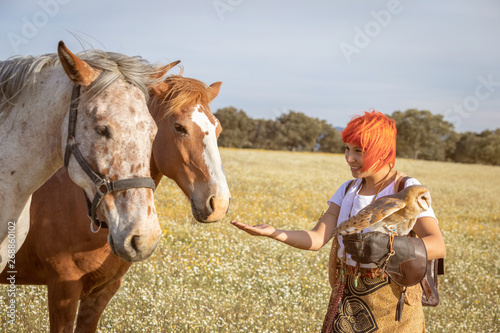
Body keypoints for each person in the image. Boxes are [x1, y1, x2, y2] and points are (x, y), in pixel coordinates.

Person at [230, 111, 446, 332]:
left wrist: (388, 248)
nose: (349, 158)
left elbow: (438, 246)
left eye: (358, 151)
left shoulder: (407, 188)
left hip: (394, 303)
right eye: (347, 149)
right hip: (347, 300)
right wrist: (274, 233)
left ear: (382, 152)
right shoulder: (348, 189)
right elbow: (316, 238)